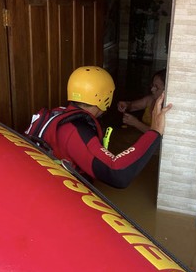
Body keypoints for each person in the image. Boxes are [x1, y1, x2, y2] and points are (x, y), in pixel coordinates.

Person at [32, 65, 172, 189]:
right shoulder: (77, 130)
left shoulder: (59, 113)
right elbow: (117, 173)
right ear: (106, 97)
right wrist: (154, 131)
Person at [116, 69, 166, 133]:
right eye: (152, 85)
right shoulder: (150, 99)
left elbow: (158, 134)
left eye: (156, 87)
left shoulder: (167, 110)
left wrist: (136, 123)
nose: (152, 89)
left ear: (166, 90)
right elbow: (132, 106)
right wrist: (126, 105)